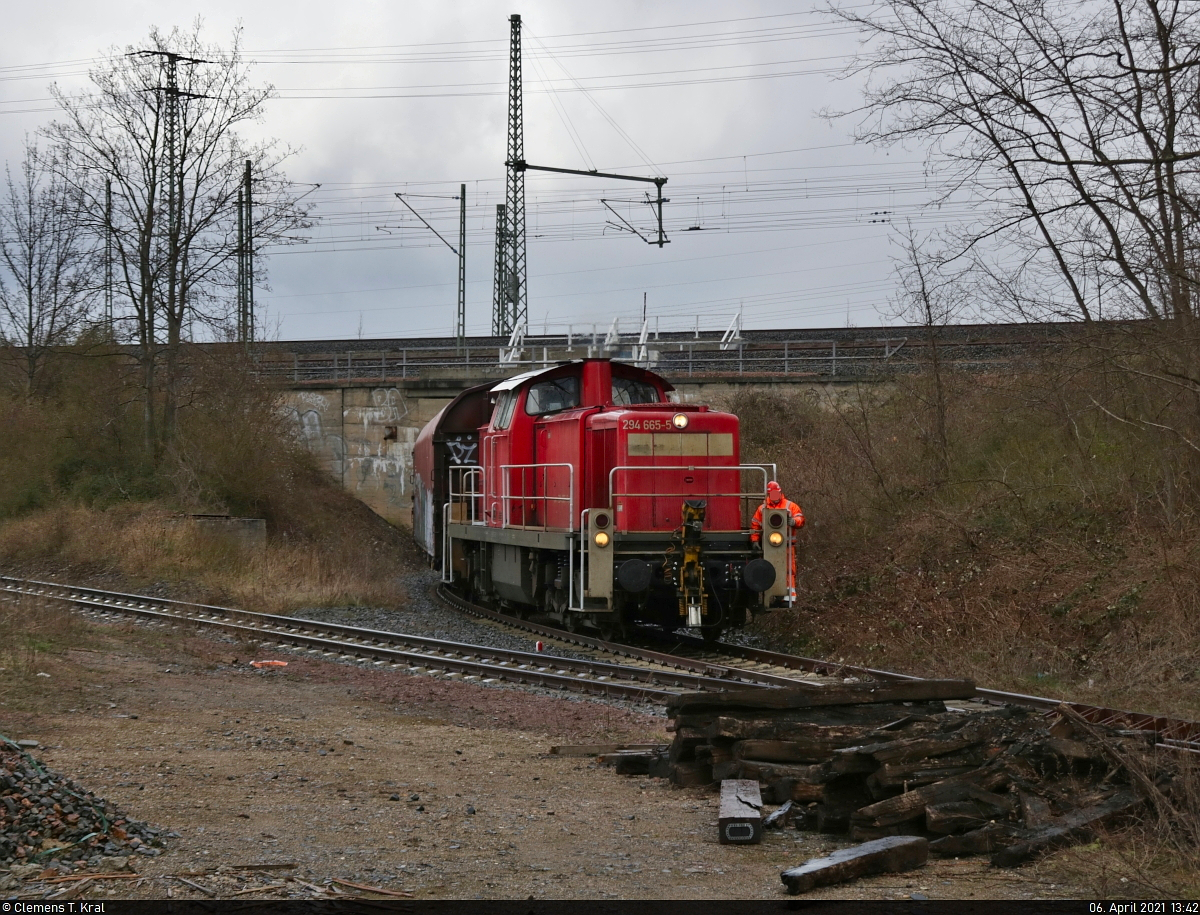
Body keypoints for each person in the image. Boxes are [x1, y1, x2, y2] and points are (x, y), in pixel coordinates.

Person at [751, 481, 805, 604]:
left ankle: (789, 597)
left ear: (780, 492)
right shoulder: (762, 508)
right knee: (771, 570)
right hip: (770, 547)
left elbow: (800, 518)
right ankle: (776, 595)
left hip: (787, 546)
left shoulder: (790, 506)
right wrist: (754, 540)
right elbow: (755, 525)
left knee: (788, 571)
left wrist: (794, 522)